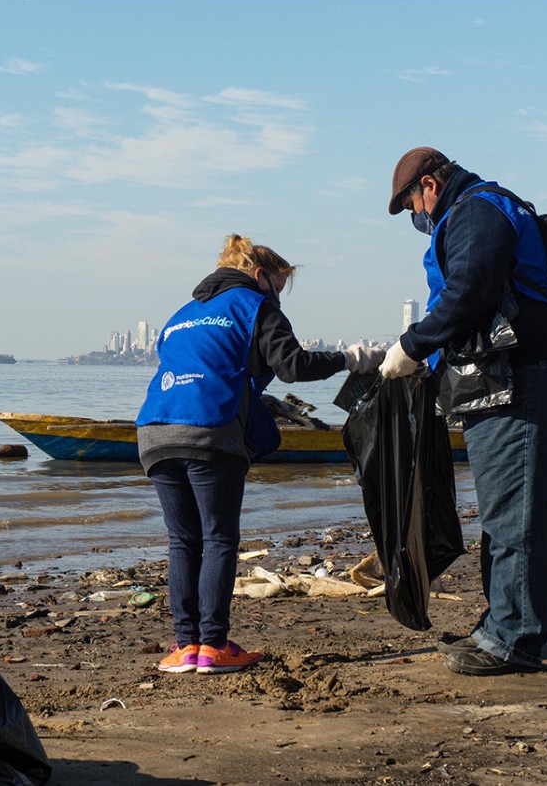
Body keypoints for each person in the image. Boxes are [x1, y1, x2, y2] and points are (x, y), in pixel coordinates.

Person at [379, 147, 547, 676]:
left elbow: (469, 290)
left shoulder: (476, 210)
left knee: (517, 515)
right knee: (510, 512)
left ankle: (512, 640)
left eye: (411, 207)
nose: (416, 219)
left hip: (528, 377)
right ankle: (500, 625)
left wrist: (411, 344)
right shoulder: (487, 207)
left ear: (429, 186)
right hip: (525, 375)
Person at [136, 234, 384, 675]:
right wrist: (352, 358)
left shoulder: (180, 316)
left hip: (154, 430)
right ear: (259, 275)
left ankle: (183, 648)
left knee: (183, 540)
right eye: (280, 285)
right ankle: (212, 646)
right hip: (210, 428)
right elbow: (293, 366)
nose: (280, 296)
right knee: (217, 538)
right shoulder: (254, 305)